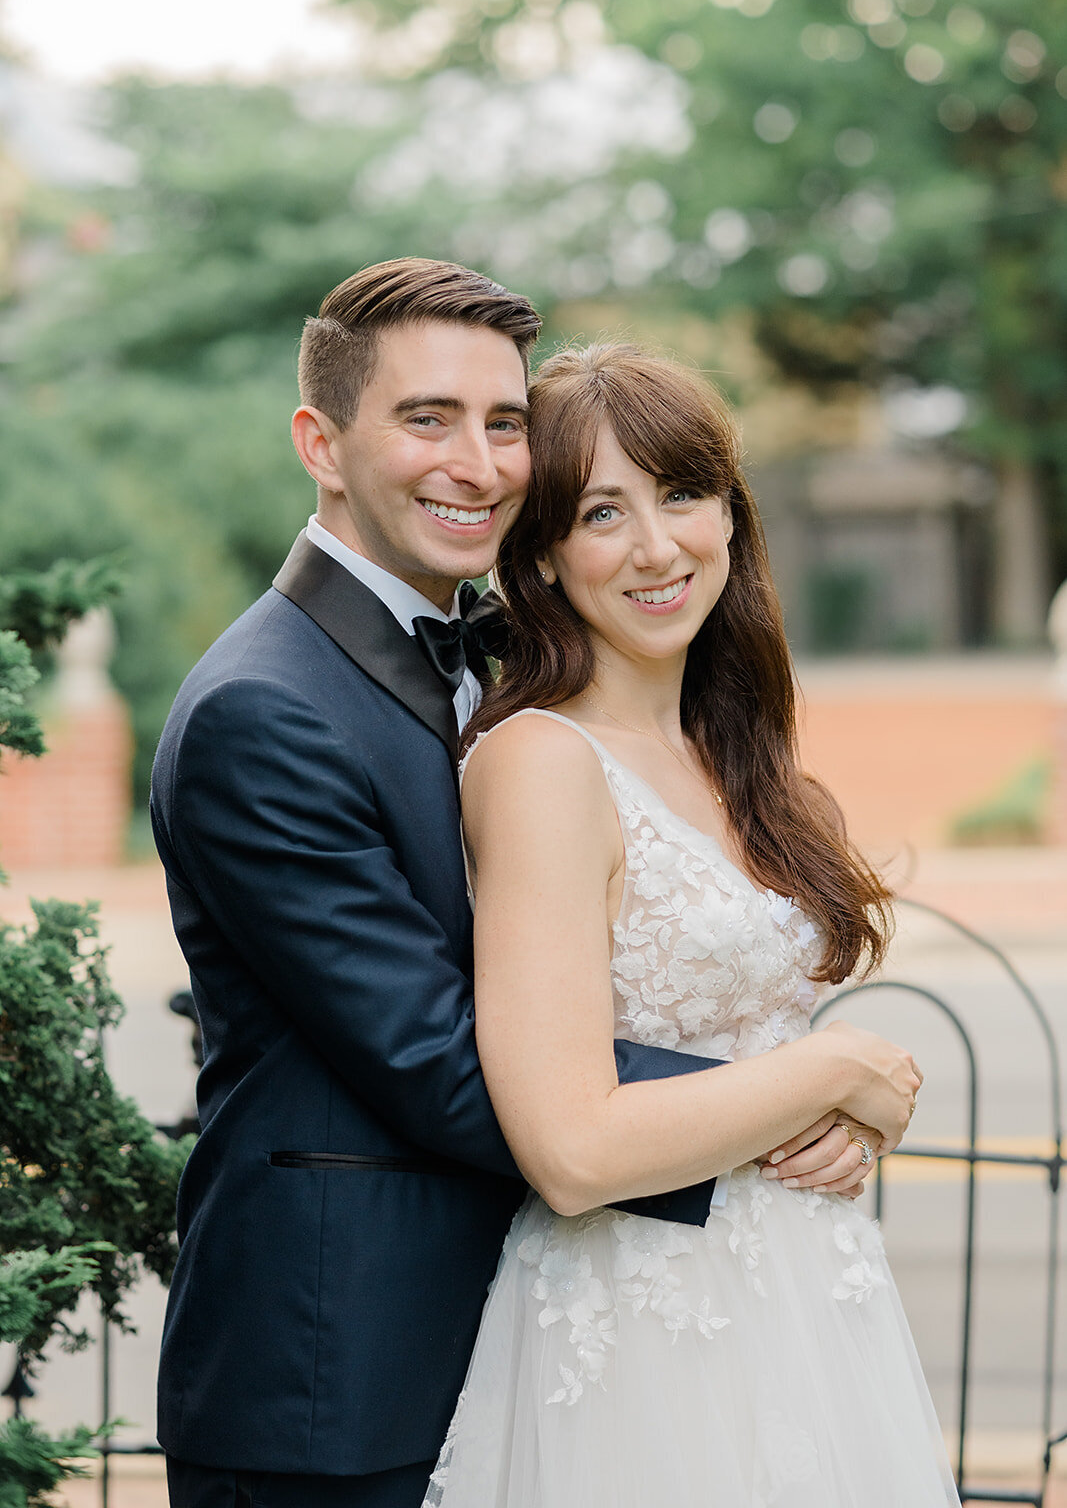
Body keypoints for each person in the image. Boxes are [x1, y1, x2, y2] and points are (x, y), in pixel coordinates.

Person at [151, 259, 881, 1508]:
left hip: (536, 1331)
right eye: (425, 418)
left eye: (501, 424)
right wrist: (792, 1095)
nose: (478, 462)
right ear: (320, 444)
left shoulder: (509, 659)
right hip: (338, 1379)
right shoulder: (261, 711)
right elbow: (439, 1057)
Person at [423, 342, 958, 1507]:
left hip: (813, 1306)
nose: (658, 546)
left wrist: (846, 1121)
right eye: (602, 512)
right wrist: (834, 1065)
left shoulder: (739, 757)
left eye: (679, 493)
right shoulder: (539, 765)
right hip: (641, 1333)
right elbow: (572, 1150)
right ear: (547, 557)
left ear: (729, 513)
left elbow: (742, 1057)